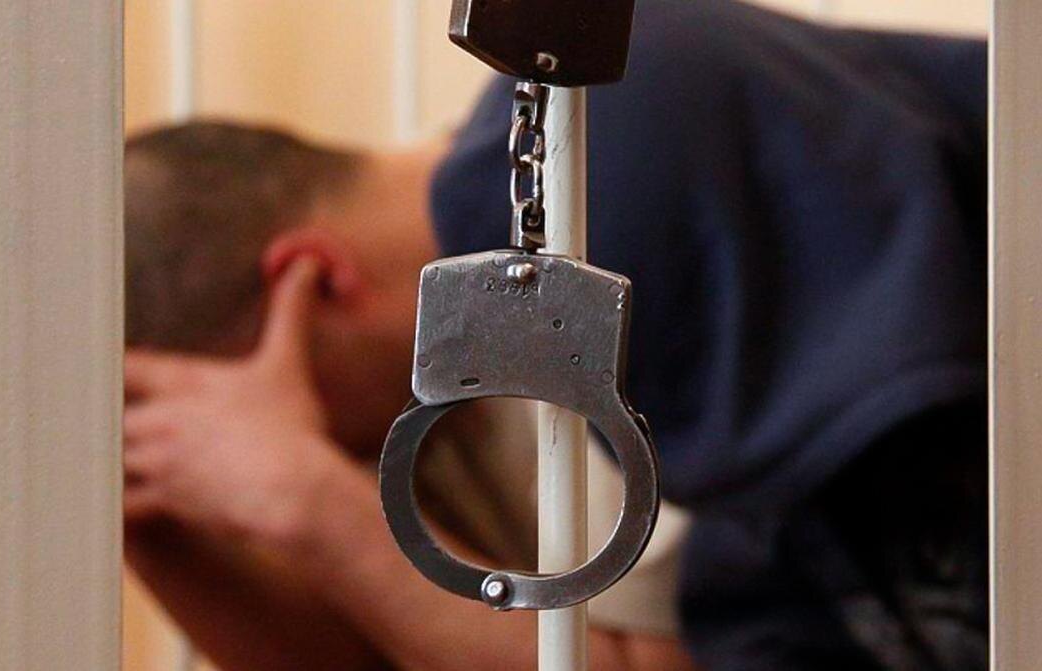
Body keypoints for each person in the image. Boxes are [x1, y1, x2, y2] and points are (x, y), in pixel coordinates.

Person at [123, 1, 989, 669]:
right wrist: (145, 526)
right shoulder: (485, 384)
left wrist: (311, 498)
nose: (307, 441)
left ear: (313, 280)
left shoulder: (620, 146)